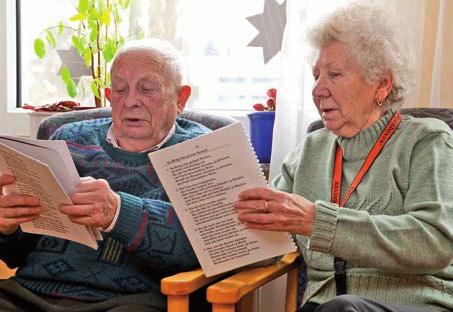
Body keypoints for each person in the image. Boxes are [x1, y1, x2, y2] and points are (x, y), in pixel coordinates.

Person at [235, 3, 453, 312]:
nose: (318, 90)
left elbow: (435, 242)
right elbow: (269, 237)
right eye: (316, 76)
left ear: (382, 84)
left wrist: (317, 221)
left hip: (412, 305)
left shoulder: (427, 140)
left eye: (334, 75)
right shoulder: (310, 150)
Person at [0, 39, 211, 311]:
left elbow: (202, 249)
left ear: (180, 98)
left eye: (147, 89)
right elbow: (18, 253)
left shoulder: (200, 152)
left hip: (128, 302)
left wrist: (118, 213)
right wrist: (7, 228)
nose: (131, 101)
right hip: (30, 293)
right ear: (109, 96)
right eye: (120, 90)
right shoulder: (68, 138)